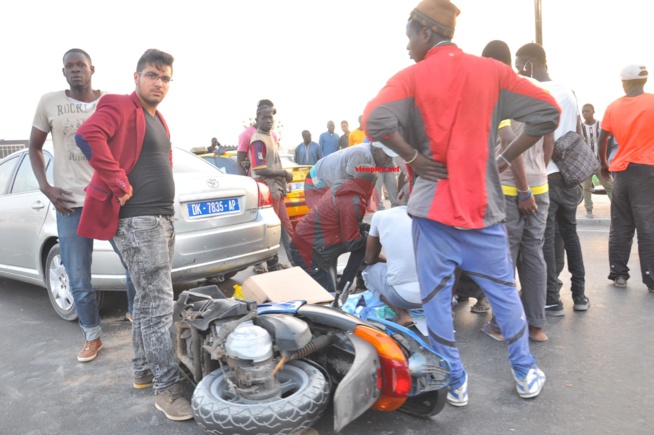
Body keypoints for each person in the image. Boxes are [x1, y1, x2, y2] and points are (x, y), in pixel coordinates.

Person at [364, 0, 561, 405]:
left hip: (431, 213)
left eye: (408, 37)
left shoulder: (412, 77)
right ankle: (525, 374)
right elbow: (547, 112)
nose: (406, 47)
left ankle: (454, 382)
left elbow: (375, 120)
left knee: (437, 300)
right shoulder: (491, 72)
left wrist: (416, 159)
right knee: (505, 294)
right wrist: (502, 158)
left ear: (426, 33)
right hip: (483, 210)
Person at [74, 49, 193, 421]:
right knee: (159, 305)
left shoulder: (158, 118)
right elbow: (87, 135)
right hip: (138, 221)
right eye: (153, 75)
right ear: (136, 76)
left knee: (145, 302)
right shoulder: (119, 105)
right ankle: (167, 389)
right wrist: (117, 180)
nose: (159, 83)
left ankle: (143, 371)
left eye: (165, 77)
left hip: (160, 219)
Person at [28, 48, 110, 362]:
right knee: (77, 276)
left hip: (108, 199)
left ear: (92, 69)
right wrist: (45, 187)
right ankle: (92, 336)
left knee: (134, 265)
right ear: (64, 72)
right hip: (70, 205)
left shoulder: (110, 102)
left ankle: (137, 317)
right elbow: (34, 147)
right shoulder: (49, 102)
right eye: (70, 66)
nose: (76, 70)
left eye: (81, 65)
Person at [479, 40, 552, 343]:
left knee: (504, 256)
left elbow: (510, 145)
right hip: (541, 184)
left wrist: (523, 190)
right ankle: (536, 326)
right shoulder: (539, 91)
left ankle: (502, 325)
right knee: (534, 254)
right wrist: (536, 178)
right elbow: (549, 142)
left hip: (511, 189)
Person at [515, 43, 591, 317]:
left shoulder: (537, 92)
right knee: (570, 235)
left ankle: (551, 299)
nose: (516, 70)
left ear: (530, 65)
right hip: (569, 175)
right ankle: (580, 295)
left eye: (518, 64)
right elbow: (578, 133)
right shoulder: (569, 92)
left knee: (544, 240)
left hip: (546, 173)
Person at [598, 63, 654, 293]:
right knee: (647, 225)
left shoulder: (613, 107)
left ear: (625, 82)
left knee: (621, 223)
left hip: (621, 170)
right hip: (647, 170)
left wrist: (603, 164)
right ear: (643, 81)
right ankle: (651, 279)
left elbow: (602, 139)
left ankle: (619, 274)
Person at [290, 170, 377, 293]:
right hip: (310, 252)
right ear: (372, 184)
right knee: (326, 302)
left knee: (365, 238)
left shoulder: (340, 188)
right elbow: (352, 242)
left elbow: (349, 224)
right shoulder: (353, 201)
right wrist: (372, 237)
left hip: (308, 243)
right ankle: (342, 289)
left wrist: (368, 229)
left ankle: (343, 288)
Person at [362, 185, 421, 326]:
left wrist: (391, 262)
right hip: (438, 297)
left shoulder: (381, 216)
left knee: (367, 273)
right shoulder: (437, 217)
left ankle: (403, 314)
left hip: (403, 297)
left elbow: (369, 258)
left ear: (400, 195)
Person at [249, 105, 296, 271]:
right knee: (273, 230)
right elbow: (259, 168)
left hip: (277, 189)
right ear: (257, 120)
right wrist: (283, 173)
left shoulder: (270, 137)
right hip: (268, 190)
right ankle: (272, 264)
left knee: (286, 227)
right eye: (264, 118)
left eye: (270, 118)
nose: (268, 121)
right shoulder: (257, 140)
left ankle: (297, 262)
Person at [303, 142, 395, 209]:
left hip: (329, 184)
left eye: (392, 157)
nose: (390, 160)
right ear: (375, 149)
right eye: (387, 155)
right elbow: (351, 187)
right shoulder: (362, 153)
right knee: (326, 220)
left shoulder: (373, 157)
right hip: (316, 182)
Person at [580, 103, 614, 218]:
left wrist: (606, 160)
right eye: (583, 112)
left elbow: (607, 142)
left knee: (609, 185)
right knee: (586, 187)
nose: (585, 114)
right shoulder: (581, 128)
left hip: (600, 162)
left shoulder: (600, 125)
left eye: (587, 111)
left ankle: (616, 208)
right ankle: (589, 209)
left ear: (593, 111)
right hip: (587, 164)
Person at [236, 99, 277, 176]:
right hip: (256, 182)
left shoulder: (273, 135)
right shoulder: (246, 135)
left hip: (272, 182)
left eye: (271, 115)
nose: (269, 120)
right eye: (266, 114)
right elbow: (239, 163)